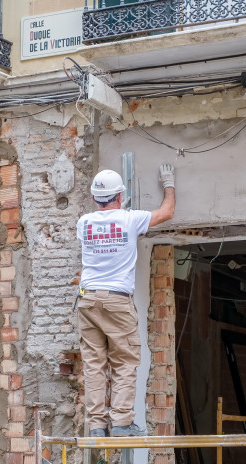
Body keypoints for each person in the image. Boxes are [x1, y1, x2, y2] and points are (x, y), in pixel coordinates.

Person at [76, 164, 176, 437]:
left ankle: (96, 426)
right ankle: (121, 423)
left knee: (94, 365)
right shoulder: (129, 219)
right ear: (120, 196)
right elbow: (167, 212)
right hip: (117, 301)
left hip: (87, 300)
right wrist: (169, 183)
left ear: (95, 197)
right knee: (124, 361)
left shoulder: (83, 223)